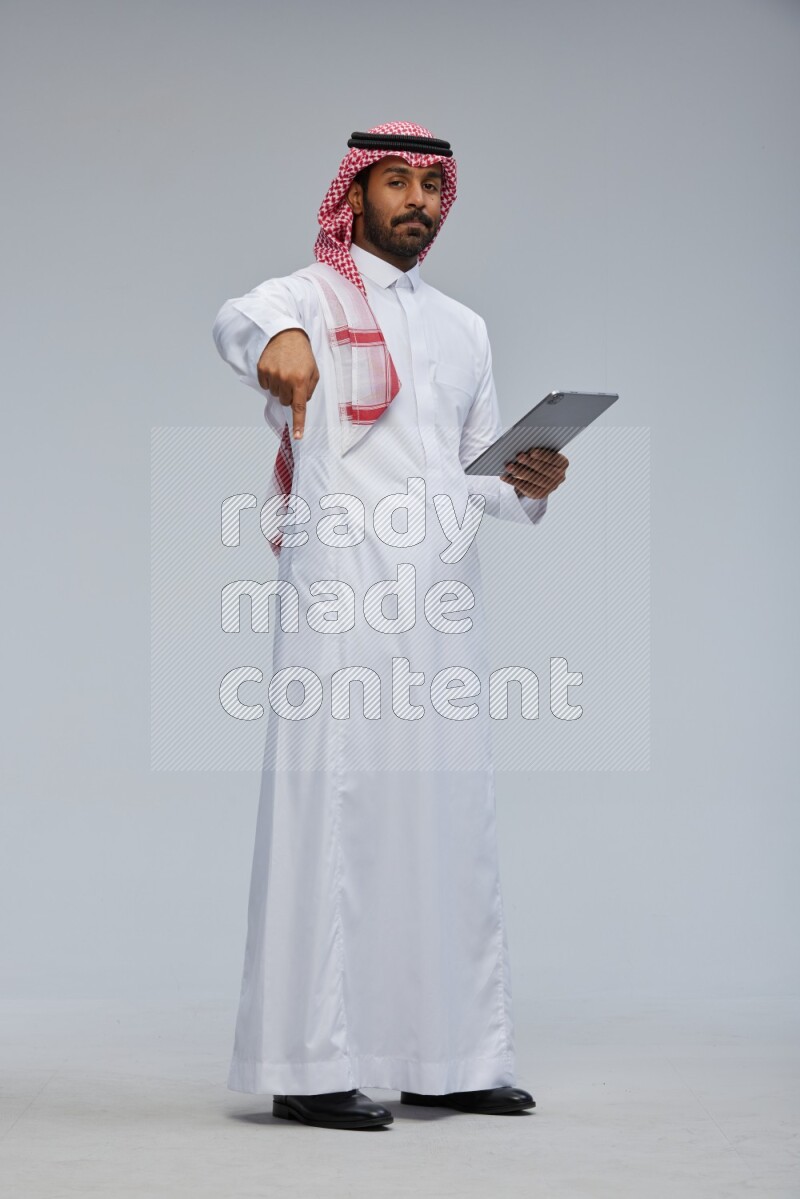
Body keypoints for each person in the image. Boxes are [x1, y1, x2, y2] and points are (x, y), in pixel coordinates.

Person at [212, 121, 569, 1131]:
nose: (417, 200)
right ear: (356, 194)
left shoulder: (463, 327)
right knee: (331, 818)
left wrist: (528, 478)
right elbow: (235, 321)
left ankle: (449, 1057)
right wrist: (276, 345)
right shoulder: (304, 297)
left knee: (448, 821)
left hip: (441, 604)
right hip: (339, 597)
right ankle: (308, 1062)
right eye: (396, 182)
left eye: (431, 186)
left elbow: (476, 470)